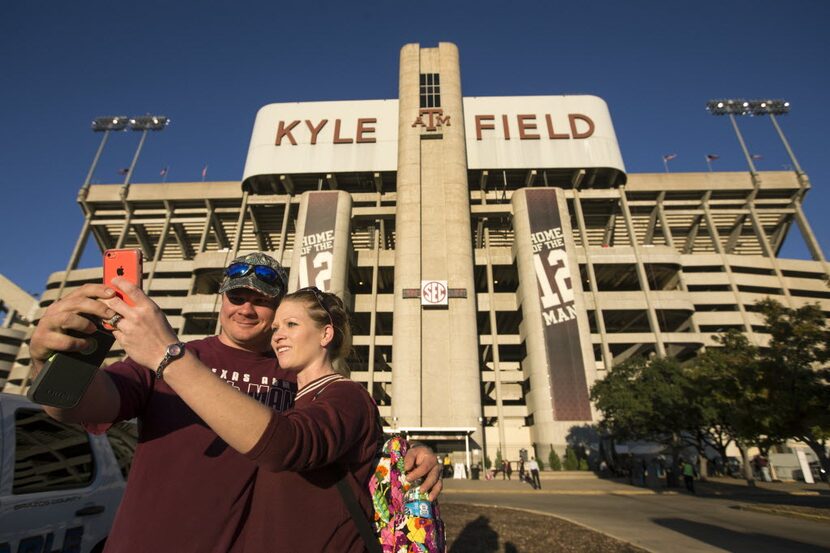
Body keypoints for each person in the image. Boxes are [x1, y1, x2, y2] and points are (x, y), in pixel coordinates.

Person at [28, 252, 440, 552]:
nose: (246, 307)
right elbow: (73, 405)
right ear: (221, 300)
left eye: (261, 300)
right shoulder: (179, 356)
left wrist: (411, 455)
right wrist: (53, 361)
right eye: (236, 296)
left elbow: (331, 438)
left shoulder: (294, 374)